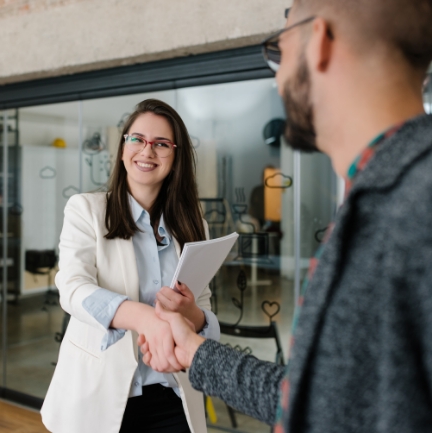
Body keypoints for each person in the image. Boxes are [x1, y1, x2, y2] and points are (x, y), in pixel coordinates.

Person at [140, 1, 432, 432]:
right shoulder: (376, 201)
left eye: (279, 49)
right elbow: (319, 398)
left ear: (319, 43)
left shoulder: (417, 206)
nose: (276, 77)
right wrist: (195, 352)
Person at [41, 99, 221, 433]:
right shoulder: (86, 210)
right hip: (100, 396)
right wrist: (144, 318)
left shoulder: (195, 226)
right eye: (137, 139)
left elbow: (204, 308)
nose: (147, 151)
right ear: (124, 149)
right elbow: (72, 288)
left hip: (174, 394)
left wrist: (194, 315)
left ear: (175, 156)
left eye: (161, 144)